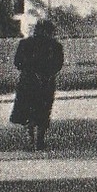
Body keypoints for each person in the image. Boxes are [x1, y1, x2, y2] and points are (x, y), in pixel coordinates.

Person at [9, 20, 65, 150]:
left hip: (28, 81)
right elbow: (58, 65)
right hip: (46, 82)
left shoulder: (25, 44)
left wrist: (30, 70)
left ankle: (30, 139)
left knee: (28, 111)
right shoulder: (55, 46)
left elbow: (18, 63)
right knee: (43, 111)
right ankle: (40, 139)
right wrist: (47, 74)